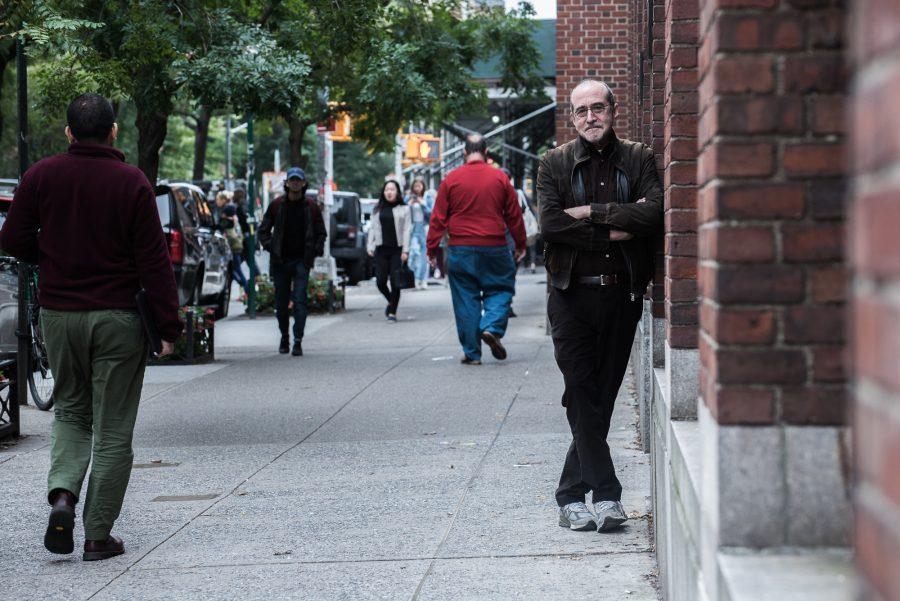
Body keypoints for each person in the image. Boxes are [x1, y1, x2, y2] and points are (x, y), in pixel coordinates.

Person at [0, 93, 182, 561]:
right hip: (119, 318)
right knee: (114, 429)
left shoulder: (41, 176)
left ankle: (62, 494)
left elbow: (14, 239)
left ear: (68, 133)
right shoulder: (132, 183)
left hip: (60, 315)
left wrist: (54, 257)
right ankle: (98, 535)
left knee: (71, 412)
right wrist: (168, 325)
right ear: (114, 131)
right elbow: (153, 261)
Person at [538, 79, 662, 533]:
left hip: (620, 295)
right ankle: (606, 493)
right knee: (580, 390)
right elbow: (550, 225)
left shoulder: (639, 157)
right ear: (572, 117)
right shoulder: (554, 163)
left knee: (600, 396)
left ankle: (571, 496)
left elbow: (653, 215)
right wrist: (621, 222)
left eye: (597, 108)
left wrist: (590, 212)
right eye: (580, 110)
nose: (589, 117)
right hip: (569, 296)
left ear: (613, 109)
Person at [427, 135, 526, 365]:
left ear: (464, 152)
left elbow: (438, 219)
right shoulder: (500, 177)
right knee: (501, 289)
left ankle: (472, 354)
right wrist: (520, 244)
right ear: (486, 150)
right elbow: (514, 216)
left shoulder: (451, 179)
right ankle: (491, 326)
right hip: (495, 247)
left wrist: (431, 249)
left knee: (465, 300)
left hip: (460, 249)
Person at [258, 167, 327, 356]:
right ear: (287, 183)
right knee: (281, 303)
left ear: (304, 183)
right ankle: (284, 336)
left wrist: (315, 251)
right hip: (280, 261)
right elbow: (263, 230)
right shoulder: (276, 205)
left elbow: (321, 233)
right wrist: (270, 246)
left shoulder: (311, 206)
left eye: (299, 180)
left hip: (301, 261)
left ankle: (298, 339)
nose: (295, 183)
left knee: (300, 300)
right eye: (292, 180)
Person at [367, 180, 411, 322]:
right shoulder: (377, 209)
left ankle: (392, 312)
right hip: (381, 250)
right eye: (387, 190)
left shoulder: (404, 209)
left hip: (397, 250)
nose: (389, 192)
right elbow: (372, 229)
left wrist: (406, 250)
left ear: (397, 192)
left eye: (392, 189)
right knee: (380, 282)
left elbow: (406, 230)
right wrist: (370, 246)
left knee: (395, 281)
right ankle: (391, 301)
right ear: (383, 192)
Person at [215, 192, 250, 299]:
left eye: (218, 199)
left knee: (235, 270)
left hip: (233, 245)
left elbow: (221, 226)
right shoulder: (232, 212)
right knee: (235, 269)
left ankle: (246, 288)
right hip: (236, 245)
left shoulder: (227, 212)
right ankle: (246, 288)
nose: (217, 202)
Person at [406, 179, 430, 289]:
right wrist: (409, 204)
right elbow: (403, 213)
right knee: (414, 253)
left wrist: (423, 204)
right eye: (415, 186)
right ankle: (415, 278)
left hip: (424, 228)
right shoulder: (409, 198)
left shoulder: (427, 197)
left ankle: (423, 279)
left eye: (419, 186)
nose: (417, 188)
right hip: (413, 228)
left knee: (425, 255)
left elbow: (432, 214)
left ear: (423, 186)